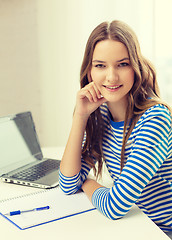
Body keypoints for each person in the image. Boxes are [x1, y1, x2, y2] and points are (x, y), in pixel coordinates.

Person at [59, 20, 172, 237]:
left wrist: (88, 182)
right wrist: (80, 116)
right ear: (89, 71)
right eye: (100, 65)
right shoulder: (101, 114)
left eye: (122, 64)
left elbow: (114, 207)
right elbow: (67, 183)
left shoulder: (155, 119)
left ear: (135, 67)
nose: (111, 77)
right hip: (137, 226)